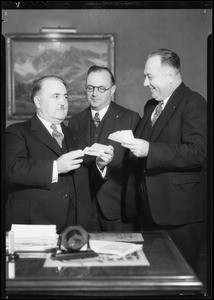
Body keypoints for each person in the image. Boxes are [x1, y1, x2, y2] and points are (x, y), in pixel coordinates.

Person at [123, 49, 207, 274]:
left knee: (180, 278)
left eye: (150, 77)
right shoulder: (151, 106)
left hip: (179, 216)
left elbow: (198, 152)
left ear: (171, 75)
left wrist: (150, 149)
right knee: (154, 279)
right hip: (149, 213)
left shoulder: (194, 102)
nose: (144, 83)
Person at [6, 75, 114, 234]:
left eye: (65, 97)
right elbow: (12, 171)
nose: (63, 102)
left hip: (77, 229)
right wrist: (56, 167)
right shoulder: (17, 132)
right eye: (55, 97)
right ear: (38, 102)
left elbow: (88, 181)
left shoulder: (75, 135)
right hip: (37, 228)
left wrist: (100, 166)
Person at [68, 65, 140, 232]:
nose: (94, 93)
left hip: (118, 210)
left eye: (101, 88)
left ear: (112, 90)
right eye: (90, 87)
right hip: (86, 209)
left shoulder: (130, 119)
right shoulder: (75, 121)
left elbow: (135, 168)